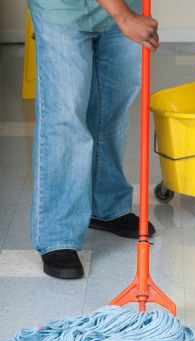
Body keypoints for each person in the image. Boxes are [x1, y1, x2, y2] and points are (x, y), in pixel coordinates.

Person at [27, 0, 159, 279]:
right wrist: (124, 16)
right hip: (63, 10)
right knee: (64, 120)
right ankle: (58, 235)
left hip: (125, 8)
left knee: (110, 112)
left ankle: (106, 207)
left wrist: (126, 13)